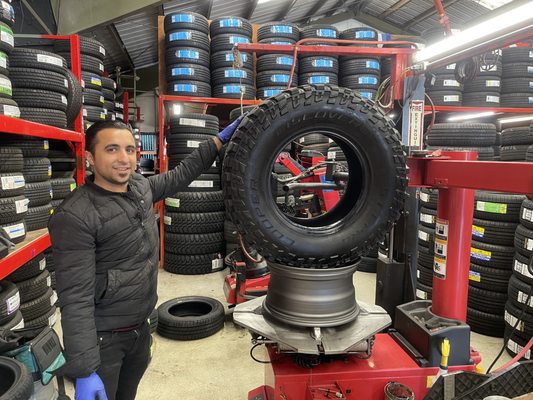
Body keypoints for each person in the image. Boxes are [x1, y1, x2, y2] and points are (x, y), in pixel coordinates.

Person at [48, 117, 243, 400]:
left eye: (129, 149)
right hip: (105, 343)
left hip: (139, 330)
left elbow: (181, 175)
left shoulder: (140, 188)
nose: (123, 158)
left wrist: (217, 141)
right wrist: (84, 370)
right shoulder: (76, 215)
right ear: (89, 157)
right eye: (112, 149)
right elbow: (74, 297)